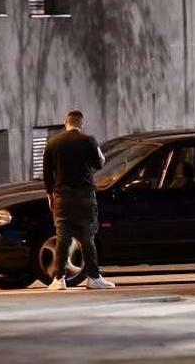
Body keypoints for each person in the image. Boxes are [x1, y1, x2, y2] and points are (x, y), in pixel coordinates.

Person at [42, 110, 114, 290]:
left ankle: (59, 279)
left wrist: (50, 195)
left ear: (65, 123)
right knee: (87, 237)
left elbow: (46, 173)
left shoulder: (52, 143)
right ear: (81, 124)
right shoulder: (88, 140)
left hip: (62, 198)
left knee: (62, 238)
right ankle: (94, 278)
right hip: (84, 197)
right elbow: (100, 163)